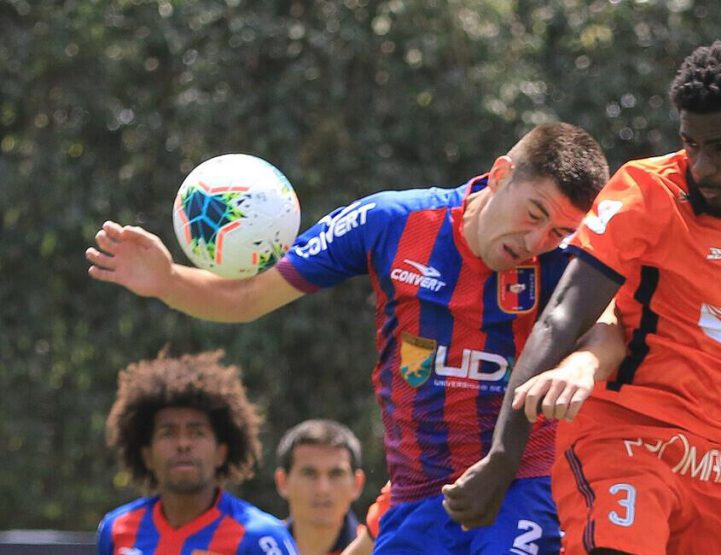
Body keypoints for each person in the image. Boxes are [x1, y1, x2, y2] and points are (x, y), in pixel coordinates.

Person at [86, 122, 624, 554]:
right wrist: (166, 281)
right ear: (501, 174)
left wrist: (581, 365)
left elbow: (611, 329)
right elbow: (247, 299)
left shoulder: (568, 258)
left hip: (523, 483)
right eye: (534, 215)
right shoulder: (390, 222)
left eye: (558, 231)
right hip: (419, 495)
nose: (537, 241)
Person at [443, 41, 721, 554]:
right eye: (690, 143)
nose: (701, 166)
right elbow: (562, 316)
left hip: (720, 457)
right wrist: (504, 458)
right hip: (622, 437)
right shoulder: (647, 192)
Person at [97, 351, 298, 555]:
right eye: (168, 433)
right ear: (147, 456)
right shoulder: (116, 529)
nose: (183, 444)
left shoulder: (262, 538)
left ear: (221, 453)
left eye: (197, 433)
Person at [274, 419, 366, 555]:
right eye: (309, 474)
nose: (322, 489)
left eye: (336, 474)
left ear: (357, 484)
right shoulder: (255, 547)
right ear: (282, 482)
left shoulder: (381, 550)